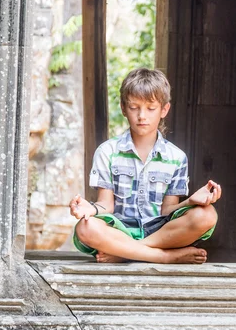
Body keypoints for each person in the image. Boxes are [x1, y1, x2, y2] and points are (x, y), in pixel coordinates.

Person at [69, 68, 220, 264]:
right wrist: (90, 209)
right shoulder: (107, 151)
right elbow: (106, 205)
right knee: (85, 227)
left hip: (159, 231)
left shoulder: (176, 157)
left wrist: (191, 201)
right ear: (123, 108)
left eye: (151, 108)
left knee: (207, 215)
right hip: (119, 230)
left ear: (164, 110)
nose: (142, 115)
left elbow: (168, 211)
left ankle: (125, 254)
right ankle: (164, 257)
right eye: (134, 107)